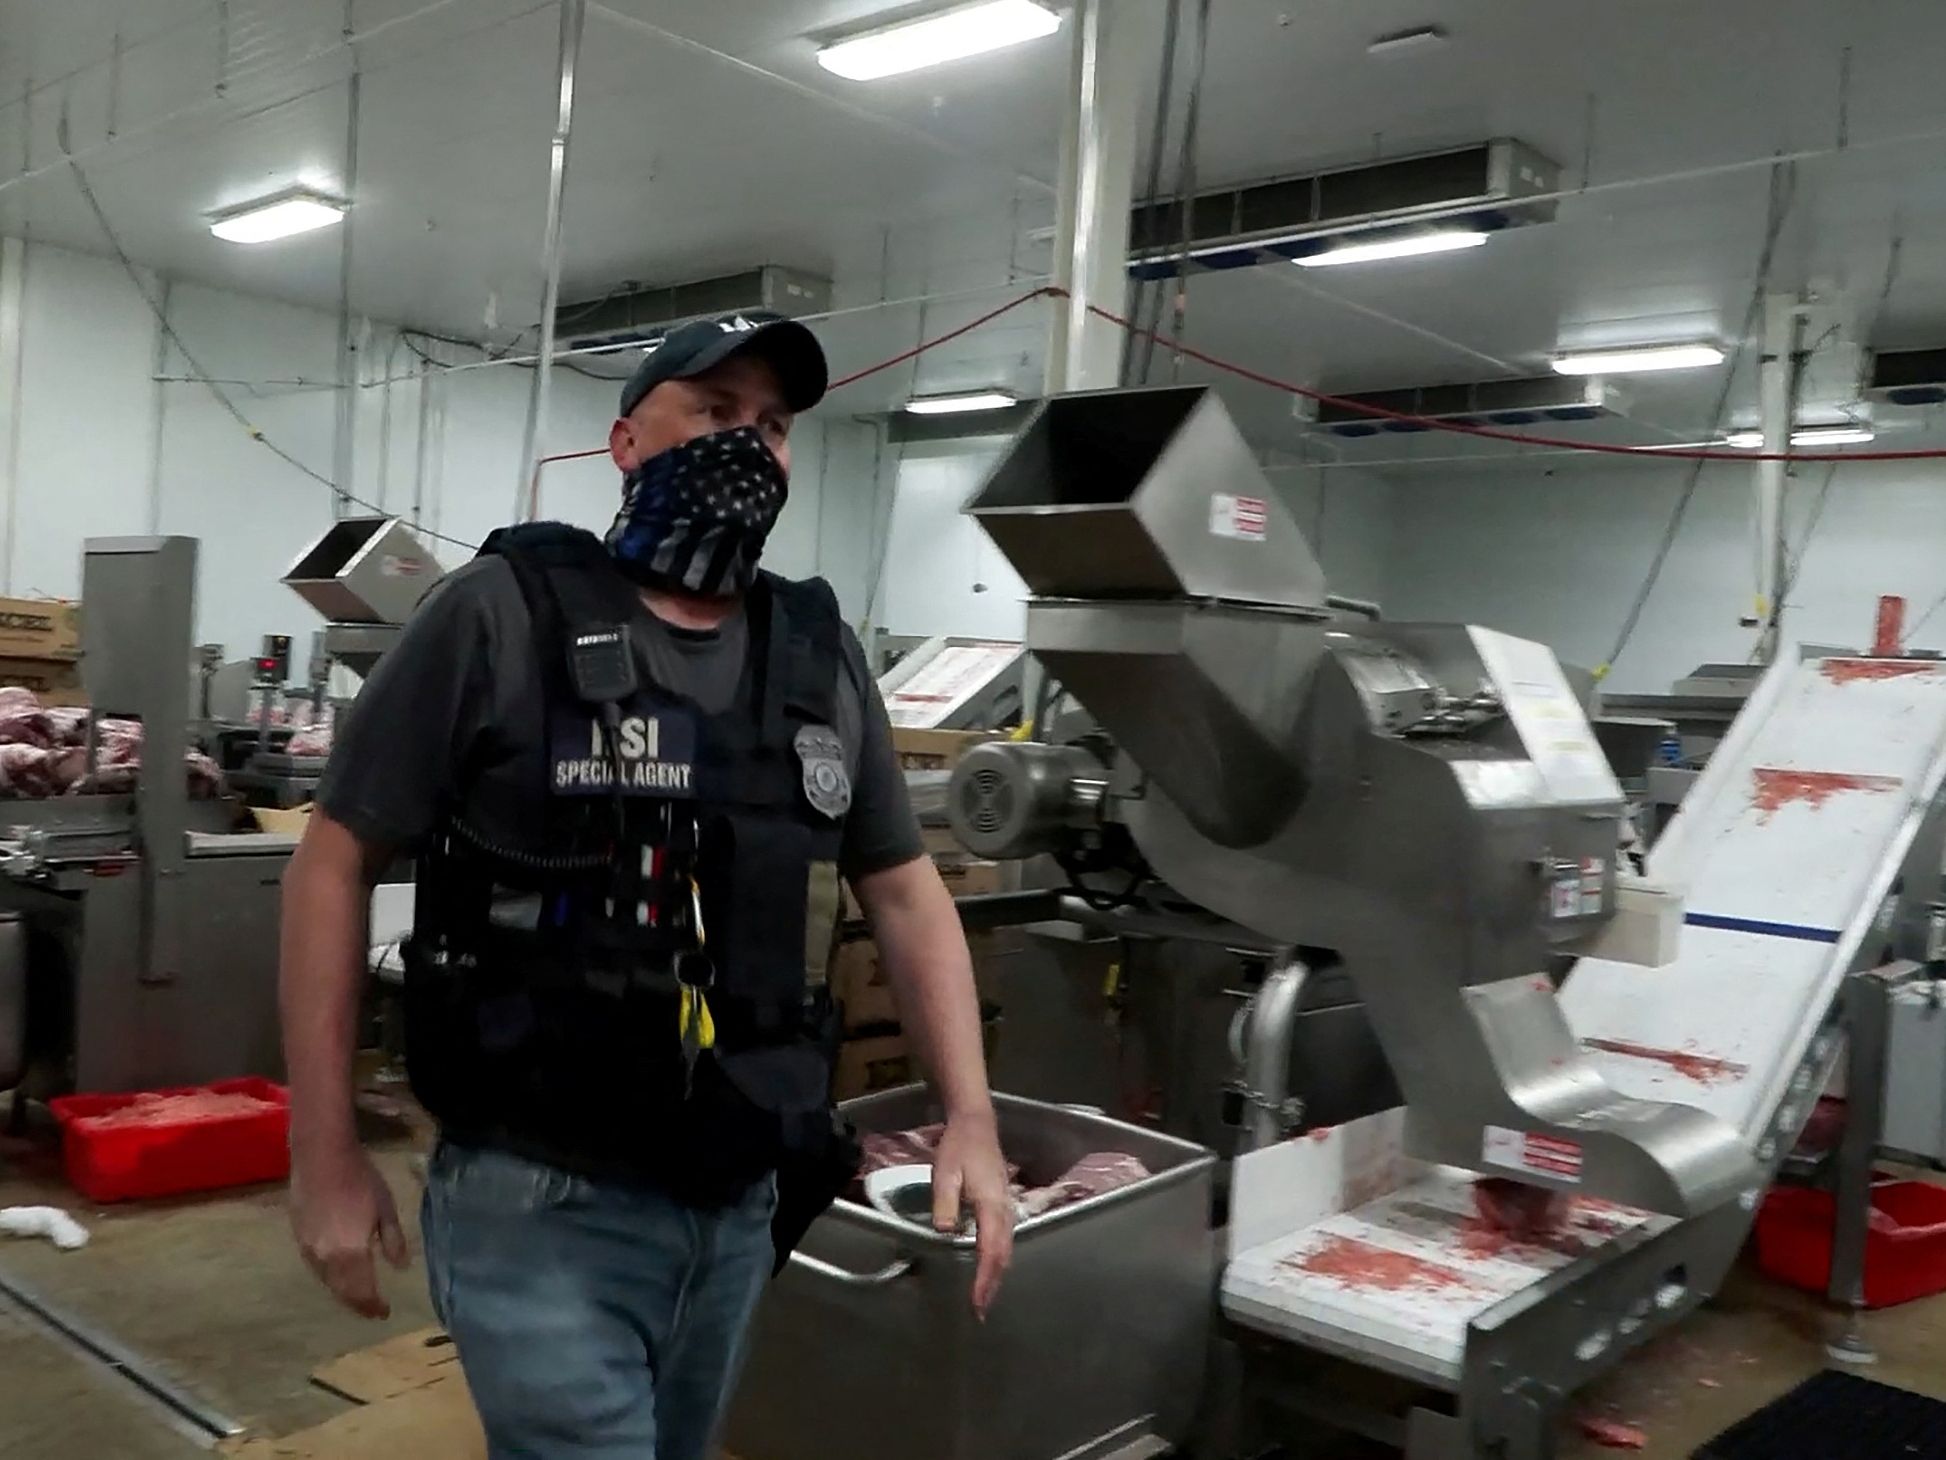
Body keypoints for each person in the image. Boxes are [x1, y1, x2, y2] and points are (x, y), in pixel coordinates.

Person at [279, 309, 1013, 1460]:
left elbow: (906, 890)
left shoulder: (816, 655)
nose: (746, 443)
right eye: (713, 411)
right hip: (539, 1200)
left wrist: (967, 1113)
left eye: (770, 425)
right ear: (626, 442)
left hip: (737, 1203)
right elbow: (332, 860)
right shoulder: (500, 614)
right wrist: (320, 1150)